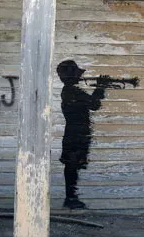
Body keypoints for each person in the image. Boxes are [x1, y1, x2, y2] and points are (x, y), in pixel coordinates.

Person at [56, 60, 107, 209]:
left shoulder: (70, 90)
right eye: (76, 74)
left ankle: (71, 197)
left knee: (72, 165)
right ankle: (70, 198)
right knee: (72, 165)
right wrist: (100, 86)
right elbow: (94, 105)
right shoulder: (73, 91)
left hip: (74, 133)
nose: (80, 76)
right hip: (76, 134)